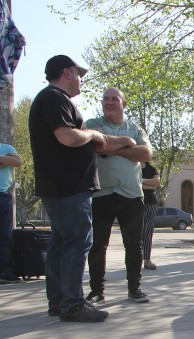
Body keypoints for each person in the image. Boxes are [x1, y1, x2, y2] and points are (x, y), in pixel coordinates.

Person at [28, 55, 109, 322]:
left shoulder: (50, 99)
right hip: (68, 186)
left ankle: (61, 300)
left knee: (62, 242)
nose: (81, 80)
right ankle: (73, 304)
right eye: (79, 74)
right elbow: (67, 136)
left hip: (59, 185)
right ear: (67, 72)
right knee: (77, 241)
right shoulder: (54, 97)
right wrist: (93, 134)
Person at [85, 87, 153, 304]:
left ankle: (134, 288)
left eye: (115, 99)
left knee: (134, 245)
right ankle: (97, 291)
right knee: (97, 245)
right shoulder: (93, 125)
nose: (109, 102)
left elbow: (145, 154)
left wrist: (112, 149)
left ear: (124, 104)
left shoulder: (136, 128)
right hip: (100, 194)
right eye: (105, 98)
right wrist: (126, 143)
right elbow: (96, 146)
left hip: (131, 195)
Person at [0, 143, 21, 284]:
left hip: (3, 196)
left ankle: (4, 272)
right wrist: (4, 160)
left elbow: (17, 162)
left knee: (5, 236)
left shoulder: (6, 147)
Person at [141, 162, 160, 270]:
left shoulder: (152, 168)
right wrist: (150, 184)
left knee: (148, 231)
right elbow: (132, 183)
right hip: (136, 202)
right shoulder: (132, 165)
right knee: (137, 232)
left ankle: (147, 260)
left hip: (150, 202)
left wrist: (141, 181)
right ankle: (134, 259)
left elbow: (157, 182)